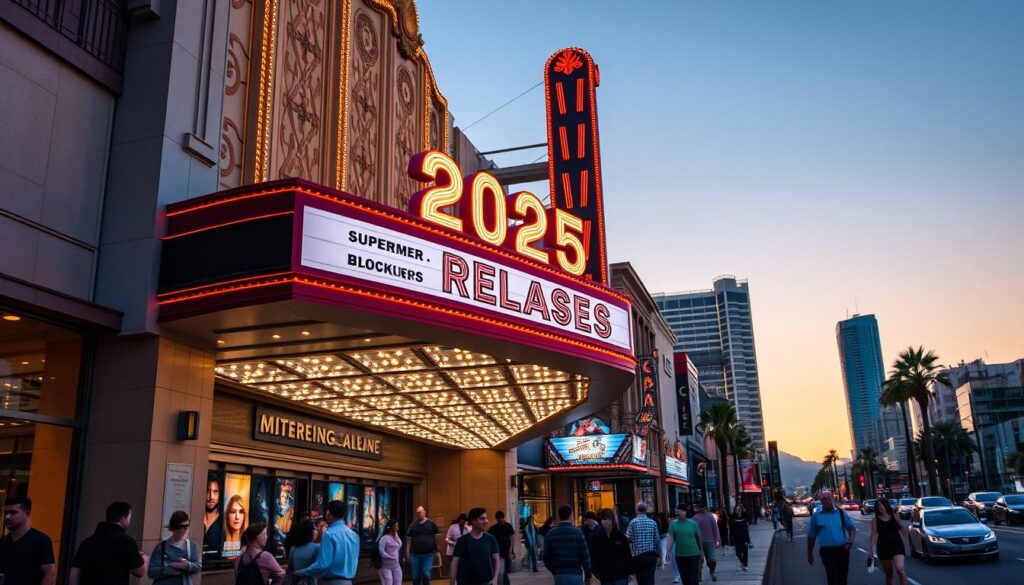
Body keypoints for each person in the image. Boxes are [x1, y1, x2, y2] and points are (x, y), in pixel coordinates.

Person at [69, 501, 148, 585]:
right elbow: (140, 571)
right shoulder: (126, 541)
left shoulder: (87, 542)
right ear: (123, 519)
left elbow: (74, 576)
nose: (129, 521)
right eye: (129, 518)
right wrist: (144, 558)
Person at [295, 500, 360, 584]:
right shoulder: (355, 536)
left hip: (331, 582)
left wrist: (300, 572)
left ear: (329, 514)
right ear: (343, 514)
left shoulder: (329, 535)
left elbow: (322, 565)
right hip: (348, 582)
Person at [0, 496, 56, 585]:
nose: (7, 516)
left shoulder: (40, 540)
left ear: (27, 513)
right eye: (5, 512)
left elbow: (50, 573)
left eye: (13, 512)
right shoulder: (3, 542)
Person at [806, 490, 857, 585]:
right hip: (827, 551)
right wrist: (809, 553)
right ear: (821, 501)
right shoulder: (816, 516)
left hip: (842, 549)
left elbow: (852, 529)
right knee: (832, 577)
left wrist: (850, 542)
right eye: (824, 499)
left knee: (843, 578)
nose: (826, 501)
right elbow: (811, 536)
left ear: (832, 499)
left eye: (828, 498)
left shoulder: (841, 513)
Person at [541, 505, 591, 585]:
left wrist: (554, 570)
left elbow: (546, 557)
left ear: (559, 516)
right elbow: (585, 556)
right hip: (575, 574)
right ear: (571, 516)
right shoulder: (578, 533)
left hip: (559, 575)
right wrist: (588, 575)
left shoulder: (551, 534)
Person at [148, 510, 201, 584]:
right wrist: (167, 570)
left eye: (187, 526)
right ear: (174, 527)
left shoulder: (192, 546)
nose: (185, 529)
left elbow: (198, 567)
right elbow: (151, 571)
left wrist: (188, 565)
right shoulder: (161, 547)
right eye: (182, 526)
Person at [450, 508, 500, 585]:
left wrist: (495, 578)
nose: (486, 521)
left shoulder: (490, 539)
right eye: (482, 519)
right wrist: (452, 582)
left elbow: (496, 559)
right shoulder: (462, 540)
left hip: (487, 581)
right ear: (473, 521)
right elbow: (454, 562)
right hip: (467, 582)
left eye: (486, 518)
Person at [867, 498, 909, 585]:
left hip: (897, 545)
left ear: (886, 505)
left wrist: (905, 542)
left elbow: (901, 529)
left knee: (900, 569)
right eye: (878, 506)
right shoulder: (875, 520)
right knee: (889, 574)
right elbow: (873, 536)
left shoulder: (894, 515)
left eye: (882, 505)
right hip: (883, 548)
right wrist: (870, 551)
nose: (880, 507)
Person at [588, 508, 631, 585]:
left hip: (620, 574)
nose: (604, 521)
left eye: (606, 519)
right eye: (602, 519)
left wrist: (630, 572)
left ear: (612, 520)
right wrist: (594, 571)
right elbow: (593, 555)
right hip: (605, 576)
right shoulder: (597, 537)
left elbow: (627, 554)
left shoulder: (620, 536)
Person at [663, 505, 703, 585]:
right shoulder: (673, 525)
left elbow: (699, 538)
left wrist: (702, 552)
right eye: (677, 511)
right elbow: (670, 538)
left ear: (685, 512)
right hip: (680, 555)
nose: (678, 512)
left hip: (694, 554)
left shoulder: (693, 523)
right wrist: (667, 551)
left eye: (680, 510)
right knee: (685, 577)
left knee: (693, 577)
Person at [624, 503, 659, 585]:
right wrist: (659, 555)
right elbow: (657, 539)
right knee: (650, 577)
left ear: (637, 510)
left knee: (640, 579)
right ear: (646, 511)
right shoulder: (652, 523)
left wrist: (633, 540)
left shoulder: (633, 522)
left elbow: (627, 537)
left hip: (637, 556)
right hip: (651, 555)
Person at [405, 506, 440, 585]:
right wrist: (407, 553)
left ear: (424, 512)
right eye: (417, 513)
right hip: (415, 555)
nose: (418, 514)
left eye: (420, 512)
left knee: (426, 574)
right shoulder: (413, 525)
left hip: (428, 554)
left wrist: (437, 547)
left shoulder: (431, 524)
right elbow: (409, 540)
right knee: (415, 576)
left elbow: (436, 536)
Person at [691, 502, 721, 582]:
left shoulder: (710, 516)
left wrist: (717, 539)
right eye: (698, 508)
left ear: (705, 508)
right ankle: (699, 579)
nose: (699, 509)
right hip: (698, 542)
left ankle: (712, 572)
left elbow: (715, 528)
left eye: (701, 507)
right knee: (699, 561)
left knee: (712, 559)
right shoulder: (694, 518)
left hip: (710, 541)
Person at [284, 518, 319, 585]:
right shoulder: (316, 548)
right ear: (310, 532)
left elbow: (289, 569)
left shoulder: (293, 548)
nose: (316, 530)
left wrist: (294, 573)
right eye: (314, 529)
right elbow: (316, 569)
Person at [488, 510, 516, 585]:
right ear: (496, 519)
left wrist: (511, 549)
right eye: (499, 519)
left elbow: (512, 537)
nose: (500, 521)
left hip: (506, 551)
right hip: (497, 552)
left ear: (503, 518)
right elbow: (489, 540)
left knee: (505, 571)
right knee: (499, 570)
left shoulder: (508, 526)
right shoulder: (493, 528)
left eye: (501, 519)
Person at [203, 477, 224, 560]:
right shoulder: (195, 518)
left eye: (215, 492)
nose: (211, 497)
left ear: (219, 494)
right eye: (208, 491)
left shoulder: (224, 522)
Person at [379, 519, 403, 585]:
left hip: (396, 566)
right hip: (386, 566)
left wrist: (395, 534)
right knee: (388, 582)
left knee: (398, 583)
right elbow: (381, 552)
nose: (397, 527)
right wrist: (391, 557)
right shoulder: (384, 538)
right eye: (395, 526)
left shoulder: (396, 537)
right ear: (390, 527)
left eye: (397, 525)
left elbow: (400, 545)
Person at [728, 505, 751, 571]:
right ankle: (742, 562)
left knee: (745, 551)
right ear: (735, 510)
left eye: (740, 509)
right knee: (738, 552)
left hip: (745, 537)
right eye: (737, 509)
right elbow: (730, 526)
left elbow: (749, 519)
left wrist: (744, 511)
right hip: (736, 537)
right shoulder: (733, 517)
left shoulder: (745, 516)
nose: (739, 510)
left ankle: (745, 565)